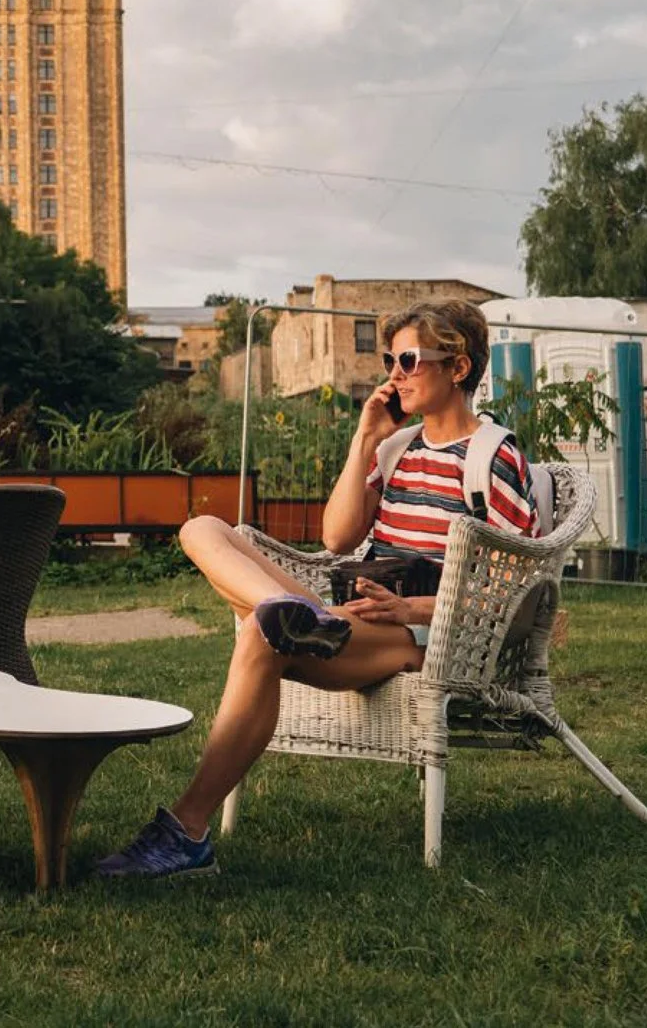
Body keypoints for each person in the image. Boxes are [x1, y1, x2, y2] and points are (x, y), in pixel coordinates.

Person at [95, 296, 535, 878]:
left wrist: (413, 606)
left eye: (408, 362)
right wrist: (364, 440)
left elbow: (516, 588)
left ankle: (186, 832)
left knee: (259, 635)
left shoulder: (492, 456)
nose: (393, 376)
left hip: (416, 633)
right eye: (388, 362)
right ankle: (293, 613)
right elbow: (337, 536)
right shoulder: (398, 449)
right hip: (347, 610)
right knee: (201, 528)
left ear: (458, 368)